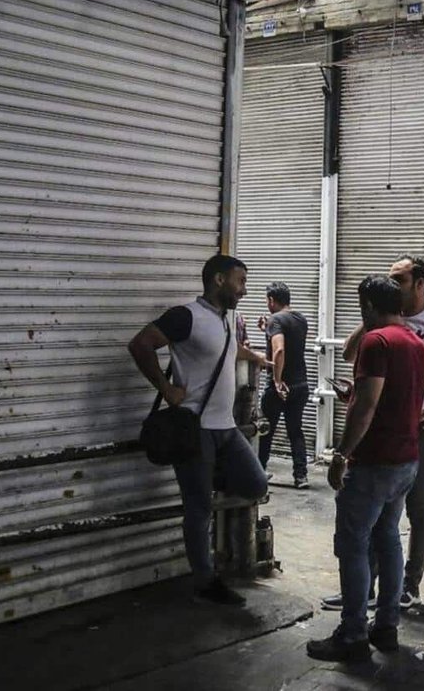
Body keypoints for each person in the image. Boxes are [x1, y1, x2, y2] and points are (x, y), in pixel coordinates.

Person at [327, 255, 424, 610]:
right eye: (390, 278)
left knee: (416, 507)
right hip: (379, 428)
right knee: (378, 516)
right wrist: (369, 318)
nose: (392, 284)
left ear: (420, 284)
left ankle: (409, 585)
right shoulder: (385, 322)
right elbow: (350, 355)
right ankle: (364, 589)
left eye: (399, 279)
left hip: (418, 427)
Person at [126, 254, 271, 606]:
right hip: (195, 429)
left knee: (256, 483)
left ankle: (208, 475)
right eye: (240, 281)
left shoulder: (224, 320)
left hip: (226, 427)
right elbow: (140, 344)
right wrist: (165, 388)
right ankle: (205, 582)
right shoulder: (185, 316)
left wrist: (255, 358)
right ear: (219, 280)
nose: (244, 290)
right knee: (199, 508)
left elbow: (227, 351)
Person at [307, 275, 424, 662]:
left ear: (368, 306)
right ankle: (386, 627)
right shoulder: (417, 343)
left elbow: (367, 407)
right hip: (406, 460)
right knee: (388, 539)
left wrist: (341, 455)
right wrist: (357, 394)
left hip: (374, 462)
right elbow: (393, 397)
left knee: (353, 546)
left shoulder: (376, 341)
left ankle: (353, 633)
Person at [259, 282, 311, 487]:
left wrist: (277, 380)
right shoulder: (300, 319)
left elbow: (279, 350)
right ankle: (301, 476)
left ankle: (258, 473)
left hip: (281, 387)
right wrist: (267, 329)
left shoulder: (275, 320)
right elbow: (290, 339)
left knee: (266, 430)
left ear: (271, 300)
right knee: (295, 430)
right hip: (301, 384)